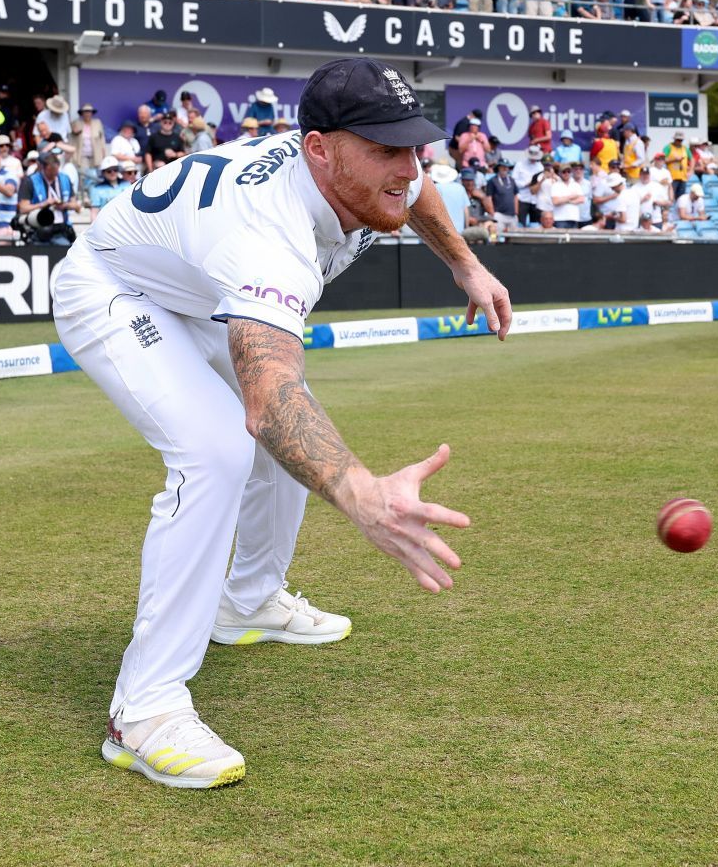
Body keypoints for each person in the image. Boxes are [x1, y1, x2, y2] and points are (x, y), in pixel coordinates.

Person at [52, 56, 510, 790]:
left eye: (413, 145)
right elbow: (268, 399)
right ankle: (142, 711)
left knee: (290, 429)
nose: (407, 165)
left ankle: (247, 599)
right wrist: (365, 495)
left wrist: (466, 267)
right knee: (216, 449)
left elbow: (420, 194)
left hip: (197, 290)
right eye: (386, 149)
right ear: (319, 149)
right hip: (117, 288)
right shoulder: (268, 232)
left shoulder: (381, 170)